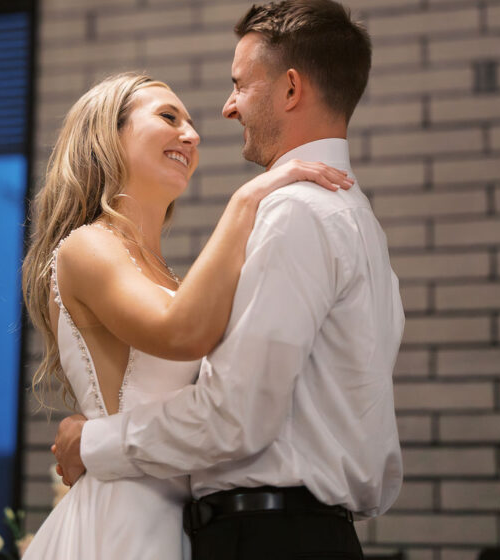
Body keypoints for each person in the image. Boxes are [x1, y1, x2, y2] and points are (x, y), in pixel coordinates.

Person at [53, 0, 405, 560]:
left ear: (291, 90)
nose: (223, 111)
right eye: (170, 117)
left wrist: (89, 442)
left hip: (267, 533)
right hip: (232, 526)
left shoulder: (296, 212)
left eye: (240, 84)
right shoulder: (356, 219)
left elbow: (236, 416)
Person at [21, 69, 353, 560]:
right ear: (107, 137)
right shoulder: (87, 245)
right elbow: (180, 331)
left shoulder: (169, 279)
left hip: (185, 522)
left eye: (191, 123)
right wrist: (247, 199)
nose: (192, 135)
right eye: (169, 117)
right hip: (124, 522)